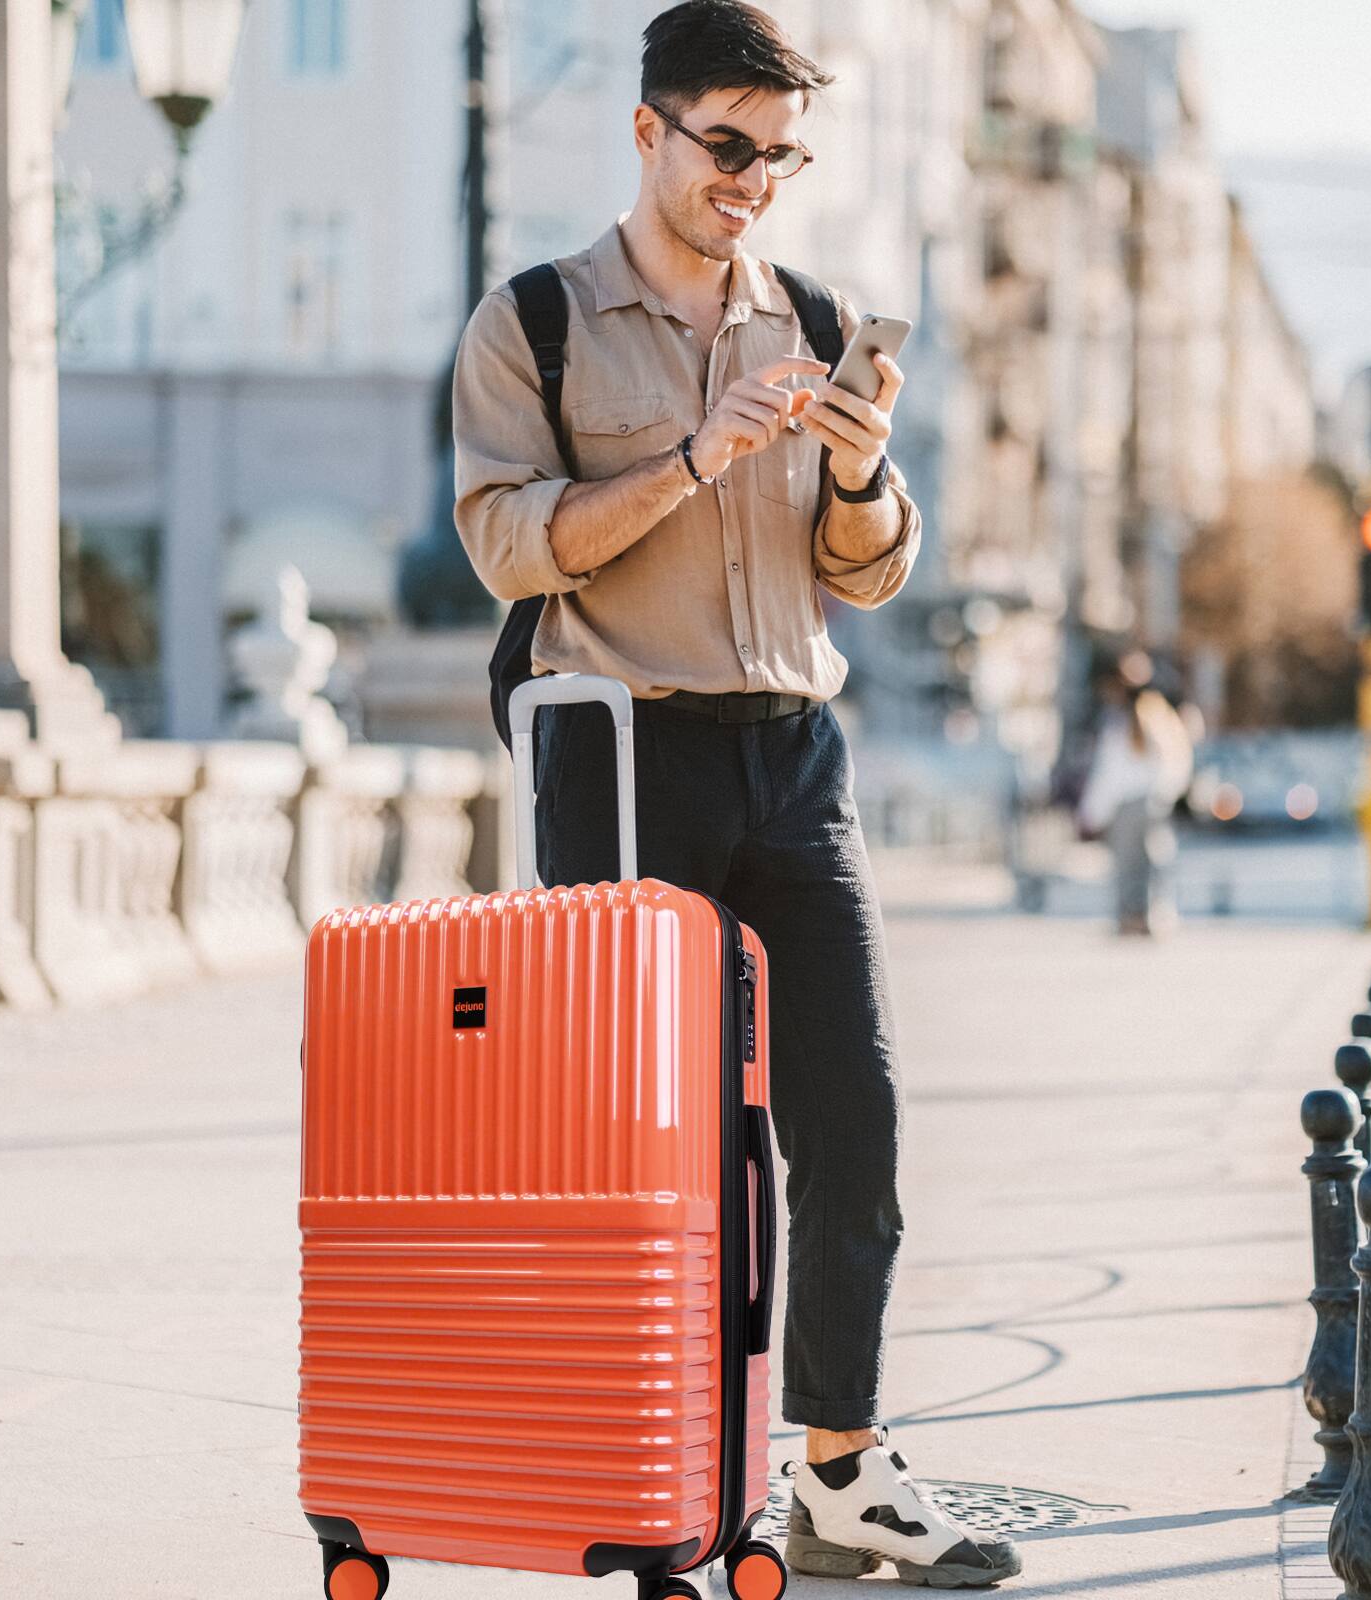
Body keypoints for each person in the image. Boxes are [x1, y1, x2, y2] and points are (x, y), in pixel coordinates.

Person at [451, 2, 1020, 1586]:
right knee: (651, 1137)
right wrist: (698, 455)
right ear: (648, 132)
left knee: (857, 1112)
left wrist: (857, 473)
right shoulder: (538, 323)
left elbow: (870, 573)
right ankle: (652, 1467)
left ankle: (837, 1470)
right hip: (625, 756)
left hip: (795, 753)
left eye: (778, 154)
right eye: (726, 146)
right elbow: (505, 543)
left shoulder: (816, 316)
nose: (753, 180)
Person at [1076, 654, 1193, 936]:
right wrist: (1168, 792)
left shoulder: (1123, 719)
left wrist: (1091, 812)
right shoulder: (1161, 714)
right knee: (1154, 858)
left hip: (1128, 802)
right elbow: (1179, 758)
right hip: (1154, 801)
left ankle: (1133, 915)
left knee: (1129, 863)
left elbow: (1110, 771)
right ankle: (1154, 913)